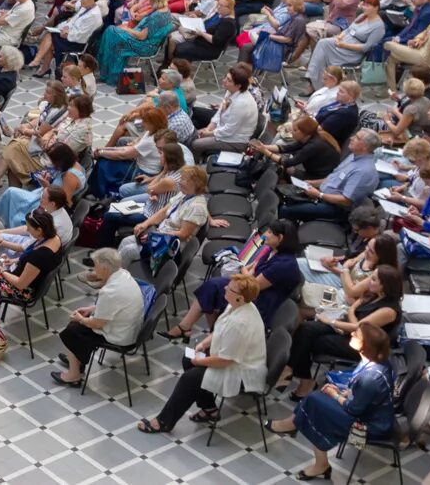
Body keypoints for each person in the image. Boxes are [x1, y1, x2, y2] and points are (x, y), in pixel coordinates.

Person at [137, 274, 268, 434]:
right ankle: (209, 409)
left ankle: (163, 422)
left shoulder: (240, 323)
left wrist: (199, 362)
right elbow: (220, 329)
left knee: (190, 378)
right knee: (188, 358)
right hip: (229, 359)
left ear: (240, 298)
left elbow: (225, 360)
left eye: (230, 288)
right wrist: (203, 344)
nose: (225, 288)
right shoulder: (236, 305)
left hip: (240, 372)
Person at [267, 323, 397, 481]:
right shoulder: (377, 362)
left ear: (365, 345)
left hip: (369, 425)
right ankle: (296, 427)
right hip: (368, 411)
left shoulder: (370, 378)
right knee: (315, 399)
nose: (352, 334)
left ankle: (316, 457)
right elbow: (363, 395)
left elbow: (354, 409)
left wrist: (335, 394)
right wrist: (344, 392)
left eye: (357, 335)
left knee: (316, 403)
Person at [280, 265, 403, 401]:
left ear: (384, 286)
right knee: (305, 329)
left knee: (310, 341)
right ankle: (294, 371)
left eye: (373, 279)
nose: (369, 281)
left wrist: (331, 322)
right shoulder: (374, 294)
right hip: (349, 331)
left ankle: (299, 377)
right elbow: (354, 312)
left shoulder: (389, 311)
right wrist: (350, 317)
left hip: (362, 346)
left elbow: (358, 327)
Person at [164, 221, 302, 340]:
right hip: (250, 286)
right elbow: (252, 269)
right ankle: (190, 328)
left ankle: (212, 334)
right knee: (211, 287)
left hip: (259, 300)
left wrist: (242, 268)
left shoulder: (284, 265)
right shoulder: (271, 249)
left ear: (280, 238)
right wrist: (246, 271)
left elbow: (253, 285)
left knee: (216, 290)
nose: (265, 234)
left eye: (270, 232)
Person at [50, 248, 146, 387]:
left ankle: (74, 375)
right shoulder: (124, 274)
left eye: (95, 265)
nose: (93, 269)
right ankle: (76, 360)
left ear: (105, 268)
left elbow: (96, 324)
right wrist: (91, 309)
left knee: (72, 330)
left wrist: (80, 319)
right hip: (130, 327)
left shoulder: (110, 291)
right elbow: (116, 306)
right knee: (79, 326)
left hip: (120, 336)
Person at [118, 165, 209, 268]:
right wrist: (145, 224)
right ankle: (113, 275)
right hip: (161, 234)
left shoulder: (197, 207)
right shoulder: (184, 194)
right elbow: (164, 211)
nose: (179, 181)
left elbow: (183, 235)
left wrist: (155, 236)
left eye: (183, 179)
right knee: (125, 241)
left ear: (194, 183)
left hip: (171, 246)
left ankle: (116, 278)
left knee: (128, 251)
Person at [280, 129, 382, 222]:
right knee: (286, 196)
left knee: (286, 209)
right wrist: (314, 183)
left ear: (365, 146)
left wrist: (319, 195)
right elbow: (334, 178)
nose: (351, 138)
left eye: (357, 138)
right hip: (323, 195)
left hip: (336, 208)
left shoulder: (363, 171)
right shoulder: (353, 156)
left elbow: (346, 200)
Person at [0, 143, 86, 228]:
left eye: (54, 162)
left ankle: (0, 221)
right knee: (11, 193)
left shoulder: (70, 177)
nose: (53, 164)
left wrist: (47, 186)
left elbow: (65, 202)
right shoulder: (74, 164)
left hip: (47, 202)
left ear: (61, 160)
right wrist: (49, 180)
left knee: (12, 196)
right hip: (44, 194)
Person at [304, 0, 385, 92]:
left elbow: (366, 47)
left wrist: (344, 45)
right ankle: (314, 78)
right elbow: (348, 29)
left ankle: (314, 81)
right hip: (343, 42)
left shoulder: (378, 27)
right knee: (322, 43)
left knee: (324, 51)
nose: (364, 8)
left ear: (376, 7)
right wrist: (340, 36)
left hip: (352, 52)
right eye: (364, 5)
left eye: (368, 6)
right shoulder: (362, 16)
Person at [96, 0, 174, 83]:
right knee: (111, 32)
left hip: (144, 46)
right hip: (146, 42)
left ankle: (108, 72)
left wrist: (127, 29)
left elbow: (142, 36)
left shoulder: (157, 16)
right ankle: (108, 71)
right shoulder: (164, 9)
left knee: (111, 32)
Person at [192, 67, 259, 157]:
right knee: (193, 135)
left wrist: (209, 133)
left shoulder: (241, 104)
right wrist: (209, 127)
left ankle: (195, 167)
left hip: (234, 141)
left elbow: (229, 130)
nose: (224, 81)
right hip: (223, 130)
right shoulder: (230, 91)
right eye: (225, 77)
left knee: (196, 144)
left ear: (238, 85)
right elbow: (219, 113)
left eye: (229, 80)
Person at [250, 117, 341, 181]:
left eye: (295, 130)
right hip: (315, 171)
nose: (291, 132)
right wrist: (264, 147)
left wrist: (266, 152)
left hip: (317, 177)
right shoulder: (311, 136)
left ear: (304, 132)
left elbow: (287, 163)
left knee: (284, 169)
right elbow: (287, 148)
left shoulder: (312, 146)